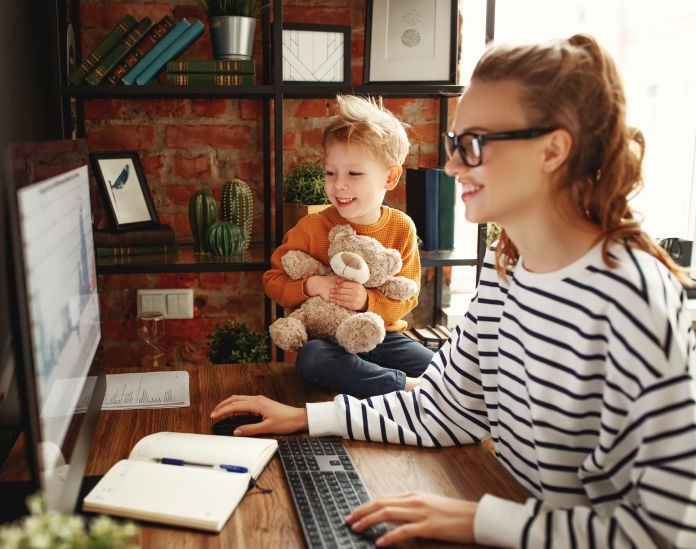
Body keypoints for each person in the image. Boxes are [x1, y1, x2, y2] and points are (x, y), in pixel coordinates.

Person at [213, 34, 696, 547]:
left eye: (475, 145)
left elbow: (670, 531)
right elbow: (447, 409)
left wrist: (479, 520)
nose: (451, 166)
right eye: (454, 143)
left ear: (553, 150)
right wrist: (307, 417)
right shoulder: (506, 263)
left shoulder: (635, 298)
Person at [264, 94, 434, 397]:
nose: (338, 184)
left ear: (390, 177)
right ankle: (402, 387)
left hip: (382, 337)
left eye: (354, 173)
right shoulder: (311, 227)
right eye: (331, 173)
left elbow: (407, 296)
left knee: (435, 365)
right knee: (312, 359)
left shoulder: (401, 227)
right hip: (327, 342)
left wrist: (366, 301)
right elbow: (273, 281)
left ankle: (390, 380)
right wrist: (312, 285)